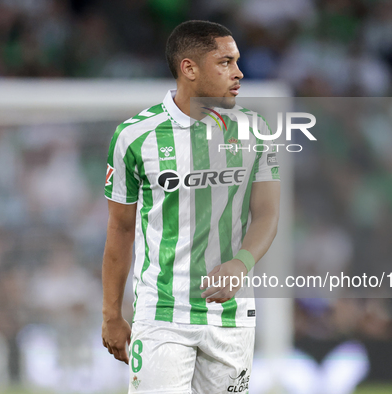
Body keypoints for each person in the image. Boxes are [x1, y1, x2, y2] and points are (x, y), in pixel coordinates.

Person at [101, 20, 280, 393]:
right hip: (161, 312)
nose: (239, 72)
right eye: (225, 62)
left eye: (237, 61)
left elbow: (267, 213)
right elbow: (120, 229)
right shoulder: (135, 136)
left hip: (231, 315)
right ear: (189, 68)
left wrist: (241, 263)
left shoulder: (254, 129)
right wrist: (112, 314)